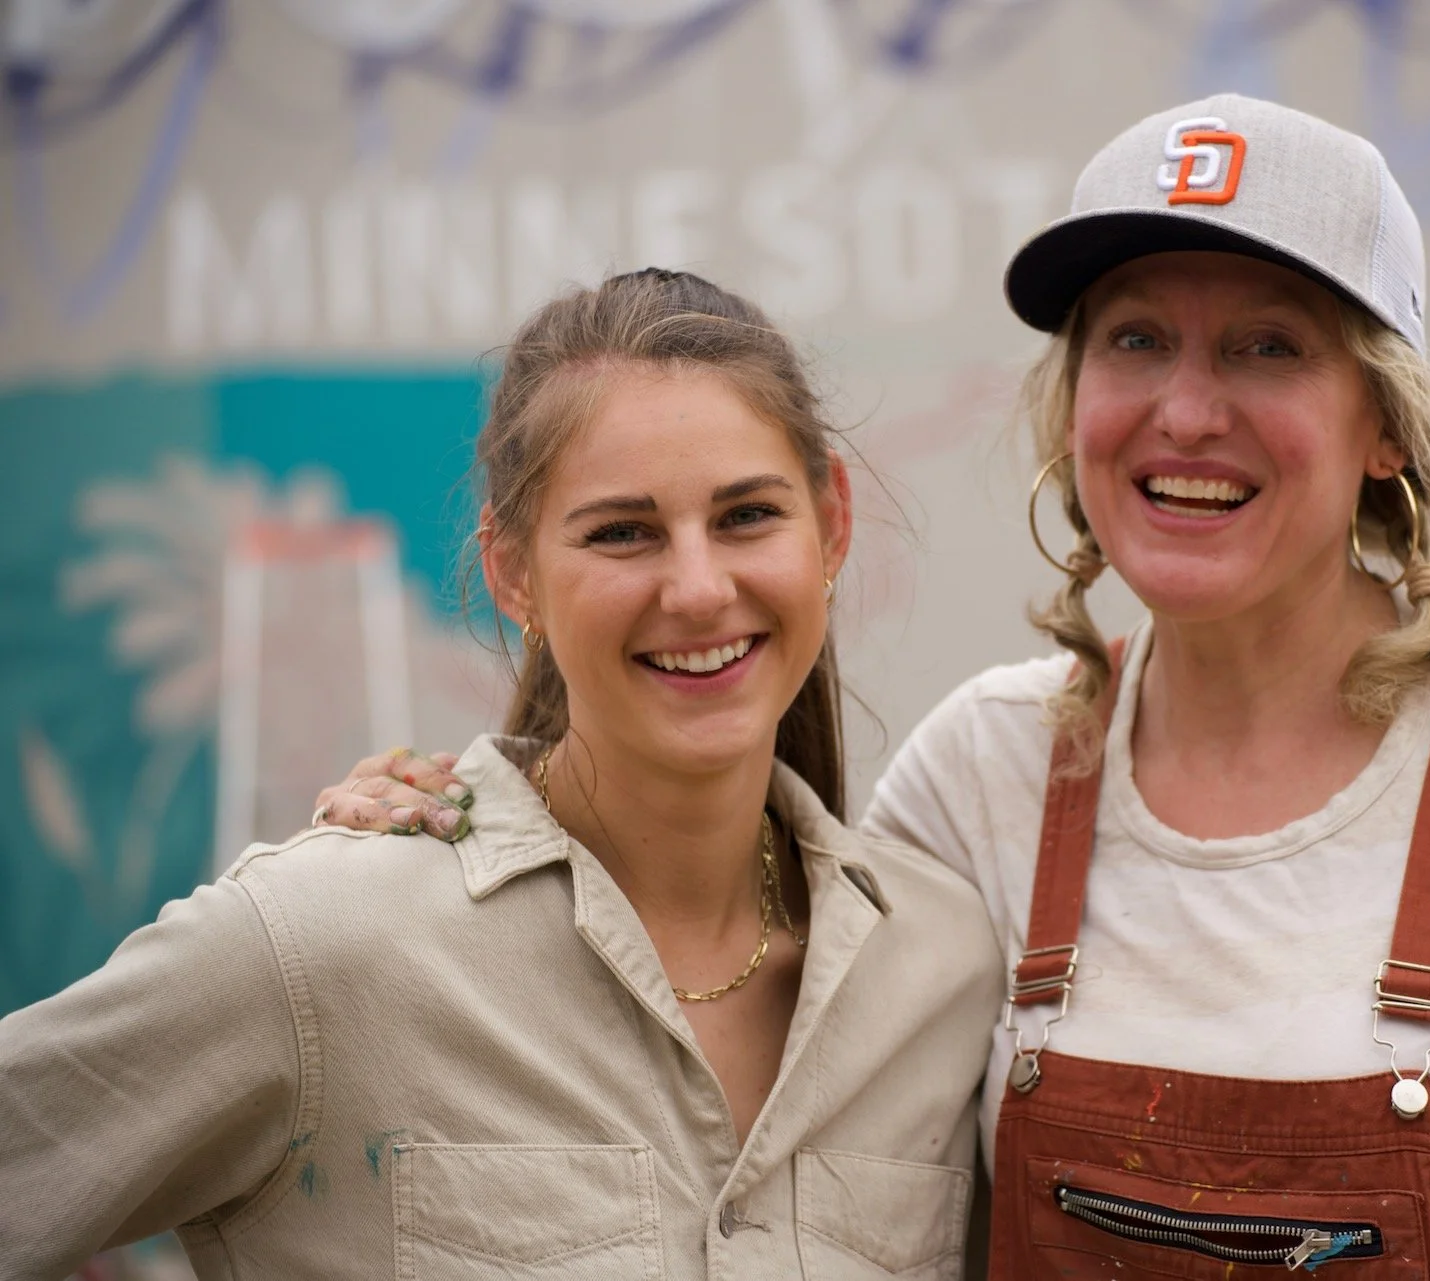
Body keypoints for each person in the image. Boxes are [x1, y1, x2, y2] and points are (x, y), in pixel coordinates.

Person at [302, 96, 1430, 1279]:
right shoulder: (984, 774)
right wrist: (454, 831)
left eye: (1268, 347)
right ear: (1073, 402)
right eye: (1137, 339)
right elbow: (722, 981)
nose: (1187, 409)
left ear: (1386, 424)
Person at [0, 269, 1001, 1280]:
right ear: (513, 573)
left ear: (831, 522)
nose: (699, 588)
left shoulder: (947, 970)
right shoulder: (324, 945)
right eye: (623, 532)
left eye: (747, 515)